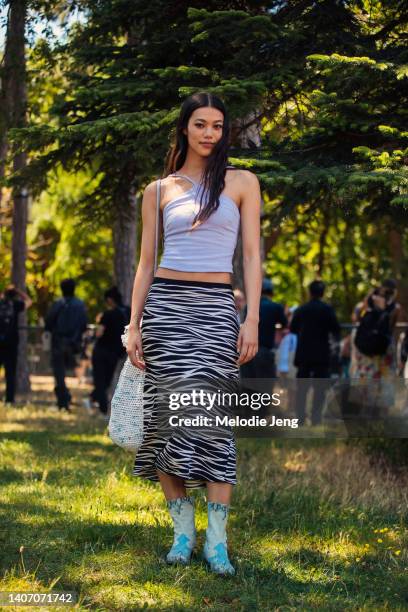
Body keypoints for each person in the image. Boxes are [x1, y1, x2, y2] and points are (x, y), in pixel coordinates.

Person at [126, 92, 261, 575]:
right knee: (166, 422)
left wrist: (252, 319)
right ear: (185, 128)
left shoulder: (242, 183)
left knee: (214, 423)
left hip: (216, 310)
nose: (209, 133)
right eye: (201, 124)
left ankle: (217, 543)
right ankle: (183, 535)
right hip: (166, 309)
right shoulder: (158, 190)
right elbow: (145, 263)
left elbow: (250, 257)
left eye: (218, 126)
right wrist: (134, 324)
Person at [290, 280, 341, 425]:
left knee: (302, 389)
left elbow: (293, 328)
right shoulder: (327, 309)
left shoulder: (302, 309)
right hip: (322, 354)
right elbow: (336, 329)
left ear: (310, 292)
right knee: (320, 389)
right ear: (323, 293)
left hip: (304, 354)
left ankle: (300, 418)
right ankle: (316, 418)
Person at [349, 278, 401, 417]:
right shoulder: (371, 305)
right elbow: (357, 318)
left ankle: (375, 414)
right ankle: (367, 413)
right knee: (370, 381)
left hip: (378, 350)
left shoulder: (393, 308)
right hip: (370, 350)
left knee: (377, 382)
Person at [45, 278, 87, 411]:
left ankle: (63, 401)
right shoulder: (80, 305)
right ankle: (66, 398)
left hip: (58, 342)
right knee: (76, 371)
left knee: (59, 373)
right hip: (74, 343)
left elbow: (48, 323)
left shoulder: (58, 304)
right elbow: (84, 324)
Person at [89, 286, 129, 415]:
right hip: (117, 352)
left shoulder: (108, 314)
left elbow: (99, 333)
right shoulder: (128, 311)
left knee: (100, 380)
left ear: (110, 300)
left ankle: (102, 408)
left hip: (102, 350)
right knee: (107, 380)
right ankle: (95, 400)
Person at [241, 278, 287, 380]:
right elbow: (284, 325)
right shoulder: (276, 307)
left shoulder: (249, 306)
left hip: (248, 352)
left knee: (248, 389)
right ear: (272, 292)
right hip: (265, 352)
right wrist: (274, 326)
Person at [0, 285, 32, 404]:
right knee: (10, 372)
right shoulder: (15, 305)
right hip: (11, 343)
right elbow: (29, 301)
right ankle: (9, 399)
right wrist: (19, 292)